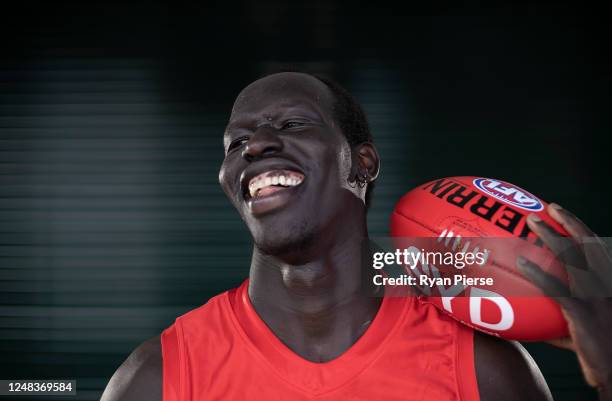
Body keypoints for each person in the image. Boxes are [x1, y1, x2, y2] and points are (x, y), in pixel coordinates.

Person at [101, 72, 612, 401]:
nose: (254, 145)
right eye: (236, 141)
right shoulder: (160, 377)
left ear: (362, 163)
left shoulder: (480, 368)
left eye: (293, 124)